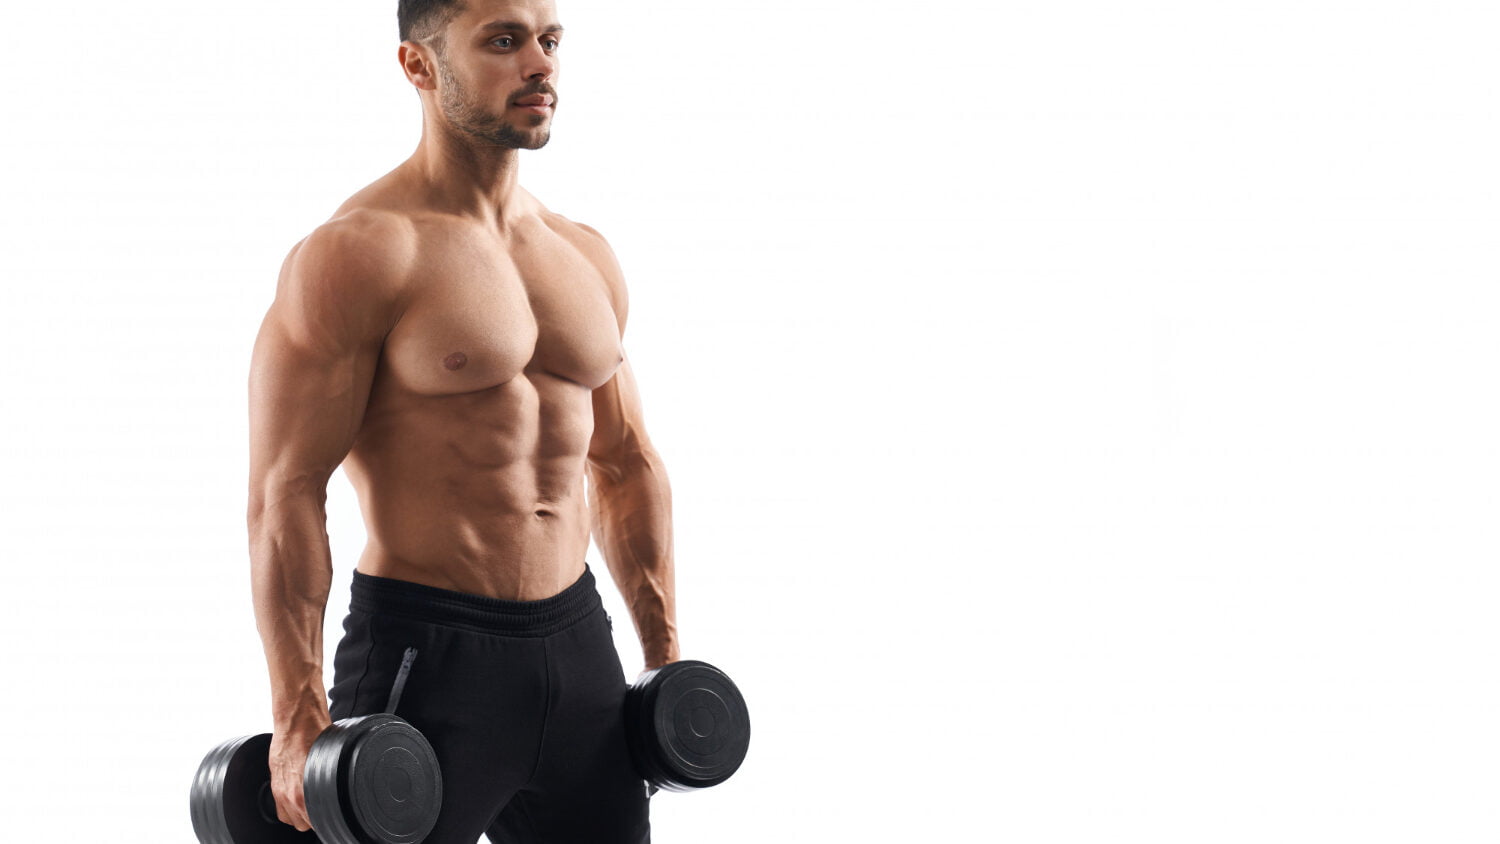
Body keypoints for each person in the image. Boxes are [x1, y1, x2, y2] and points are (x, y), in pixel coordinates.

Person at [245, 1, 674, 841]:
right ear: (419, 66)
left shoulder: (583, 254)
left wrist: (663, 657)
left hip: (581, 651)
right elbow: (284, 492)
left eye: (550, 41)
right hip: (426, 660)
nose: (539, 65)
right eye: (505, 42)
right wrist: (298, 716)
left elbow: (625, 462)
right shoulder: (358, 252)